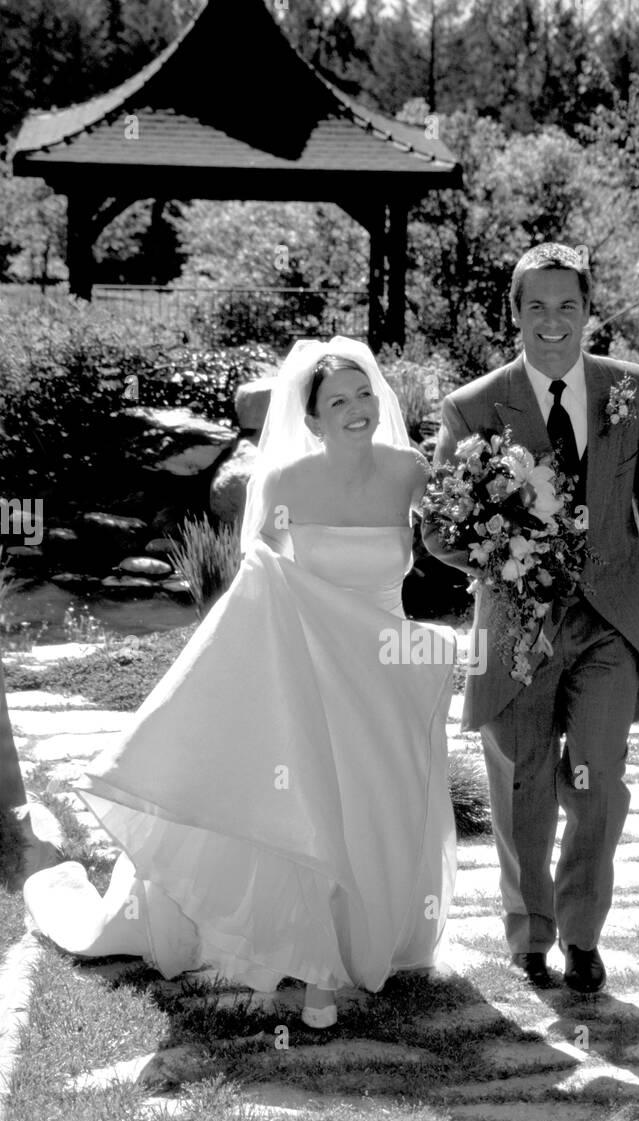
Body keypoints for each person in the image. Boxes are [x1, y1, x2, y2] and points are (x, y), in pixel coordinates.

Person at [24, 337, 456, 1030]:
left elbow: (447, 544)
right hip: (313, 673)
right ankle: (318, 968)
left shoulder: (409, 471)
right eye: (336, 402)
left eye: (364, 394)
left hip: (385, 665)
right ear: (311, 420)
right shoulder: (286, 484)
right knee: (318, 805)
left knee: (379, 805)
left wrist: (510, 535)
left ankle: (359, 943)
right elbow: (259, 590)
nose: (355, 409)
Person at [423, 243, 639, 993]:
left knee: (597, 780)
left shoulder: (631, 391)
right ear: (515, 314)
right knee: (524, 784)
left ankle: (582, 936)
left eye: (567, 305)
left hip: (609, 621)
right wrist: (506, 555)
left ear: (588, 310)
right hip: (517, 627)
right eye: (535, 306)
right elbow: (440, 529)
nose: (552, 322)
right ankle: (530, 936)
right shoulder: (473, 406)